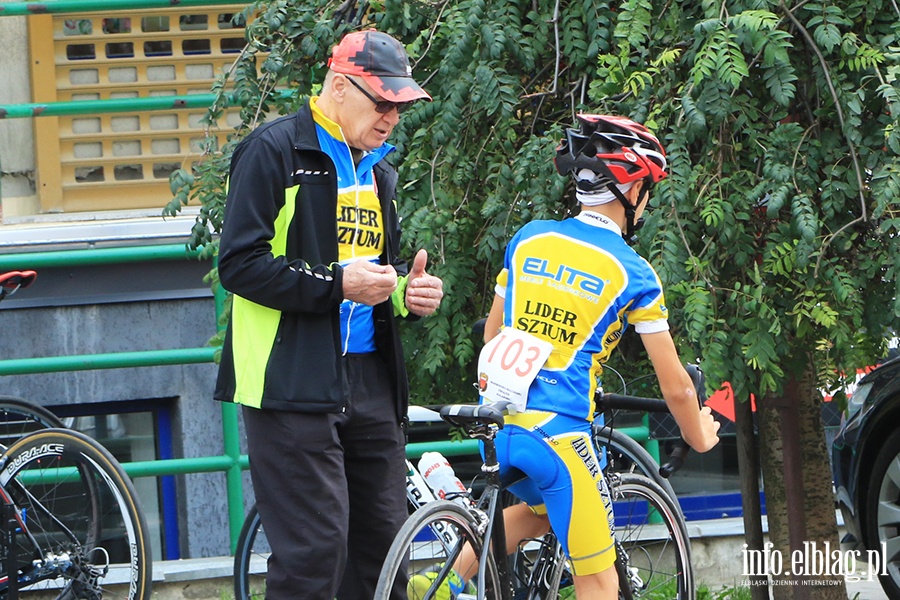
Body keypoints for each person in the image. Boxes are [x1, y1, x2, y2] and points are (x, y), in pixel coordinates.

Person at [410, 114, 720, 599]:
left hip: (507, 427)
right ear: (632, 190)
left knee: (539, 513)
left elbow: (493, 334)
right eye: (649, 189)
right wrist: (699, 434)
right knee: (598, 580)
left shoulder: (530, 237)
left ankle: (449, 580)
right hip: (561, 435)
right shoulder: (633, 272)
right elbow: (677, 384)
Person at [213, 29, 444, 600]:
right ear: (339, 86)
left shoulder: (379, 171)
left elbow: (371, 279)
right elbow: (239, 265)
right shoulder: (272, 150)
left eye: (400, 105)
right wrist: (338, 282)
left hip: (369, 379)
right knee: (315, 552)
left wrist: (404, 296)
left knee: (385, 551)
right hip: (289, 380)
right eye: (382, 101)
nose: (392, 116)